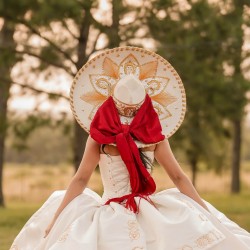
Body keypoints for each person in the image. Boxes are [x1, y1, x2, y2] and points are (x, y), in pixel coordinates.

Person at [11, 47, 250, 250]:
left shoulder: (100, 137)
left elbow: (80, 180)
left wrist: (57, 219)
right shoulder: (154, 136)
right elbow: (178, 177)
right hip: (147, 209)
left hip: (111, 210)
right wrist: (203, 210)